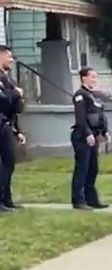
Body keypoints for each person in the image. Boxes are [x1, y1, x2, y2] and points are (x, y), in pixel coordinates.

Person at [70, 67, 110, 210]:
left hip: (94, 134)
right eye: (92, 77)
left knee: (93, 168)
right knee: (82, 168)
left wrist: (104, 132)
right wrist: (87, 133)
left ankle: (91, 199)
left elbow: (99, 116)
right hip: (82, 136)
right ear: (83, 78)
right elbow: (80, 117)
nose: (94, 80)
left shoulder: (94, 96)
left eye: (95, 77)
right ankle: (78, 200)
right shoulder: (80, 95)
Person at [0, 45, 25, 212]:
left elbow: (15, 108)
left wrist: (17, 130)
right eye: (8, 56)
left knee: (9, 163)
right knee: (3, 165)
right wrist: (16, 94)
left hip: (7, 125)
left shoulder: (7, 78)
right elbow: (3, 101)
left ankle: (7, 199)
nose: (11, 60)